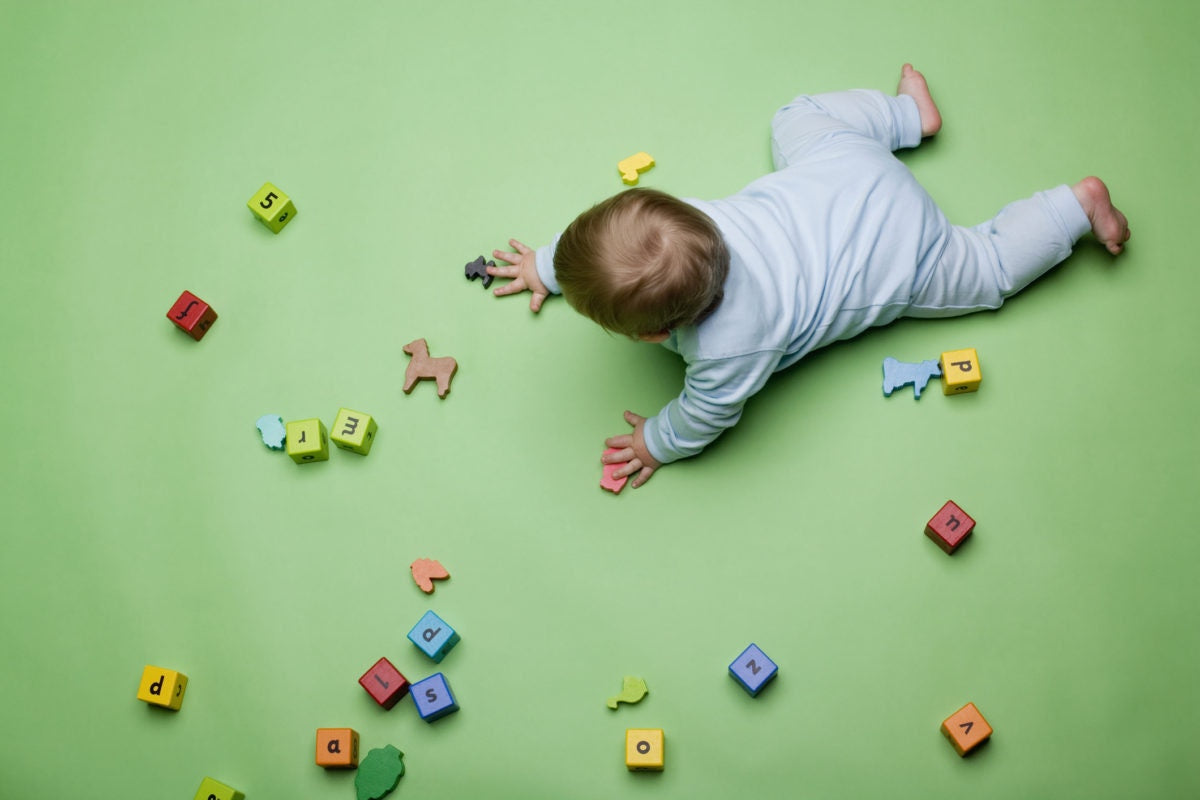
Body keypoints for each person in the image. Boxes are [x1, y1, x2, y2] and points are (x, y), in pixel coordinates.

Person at [487, 64, 1130, 489]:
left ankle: (1074, 207)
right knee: (793, 117)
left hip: (902, 253)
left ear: (652, 337)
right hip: (849, 168)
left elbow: (704, 416)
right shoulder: (687, 225)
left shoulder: (730, 350)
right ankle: (906, 119)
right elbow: (615, 245)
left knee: (988, 270)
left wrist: (656, 443)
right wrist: (551, 265)